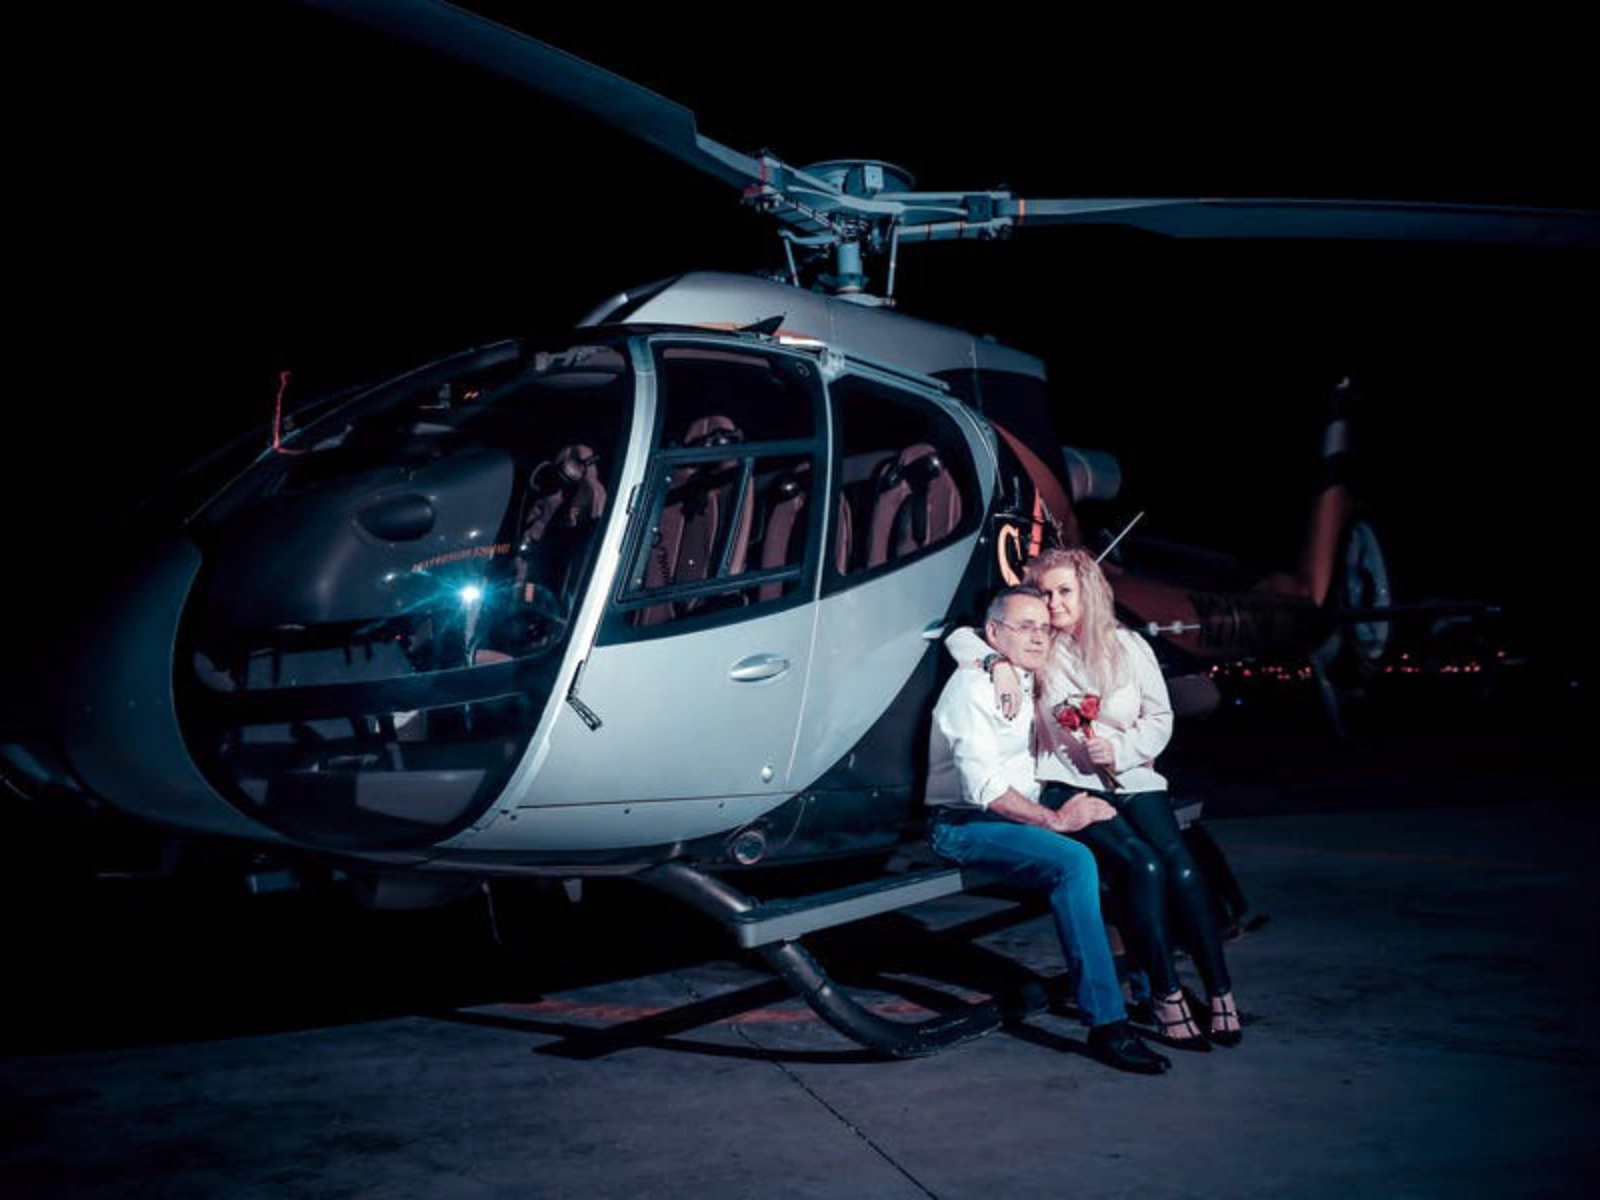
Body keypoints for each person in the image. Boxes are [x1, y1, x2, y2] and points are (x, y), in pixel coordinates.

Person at [948, 549, 1243, 1049]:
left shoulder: (1128, 647)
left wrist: (1123, 747)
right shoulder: (1040, 647)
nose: (1054, 603)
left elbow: (1159, 717)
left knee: (1183, 866)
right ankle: (1166, 995)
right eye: (1045, 593)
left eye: (1065, 591)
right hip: (1068, 781)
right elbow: (962, 635)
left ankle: (1220, 993)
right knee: (1143, 867)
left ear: (1089, 594)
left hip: (1131, 774)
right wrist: (995, 662)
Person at [927, 585, 1171, 1075]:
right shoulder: (972, 689)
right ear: (994, 633)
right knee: (1074, 861)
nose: (1039, 637)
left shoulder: (1022, 673)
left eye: (1044, 627)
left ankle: (1153, 993)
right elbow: (986, 791)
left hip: (1020, 808)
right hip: (966, 822)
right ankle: (1107, 1025)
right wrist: (1059, 821)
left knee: (1122, 850)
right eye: (1025, 627)